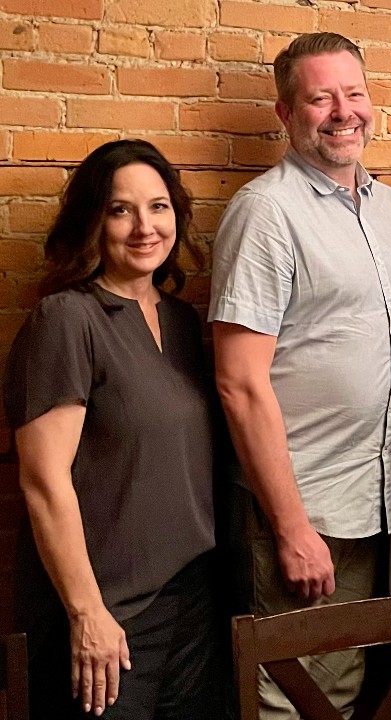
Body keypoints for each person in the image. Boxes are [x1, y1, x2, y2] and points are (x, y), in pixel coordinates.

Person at [209, 32, 391, 718]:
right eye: (320, 97)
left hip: (384, 506)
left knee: (357, 691)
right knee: (298, 700)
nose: (342, 110)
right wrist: (293, 526)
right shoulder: (265, 212)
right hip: (310, 510)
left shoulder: (389, 210)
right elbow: (239, 383)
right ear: (285, 113)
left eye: (353, 93)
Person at [3, 139, 218, 719]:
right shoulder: (67, 319)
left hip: (192, 600)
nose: (144, 226)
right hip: (110, 614)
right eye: (120, 209)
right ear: (92, 221)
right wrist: (87, 613)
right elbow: (42, 481)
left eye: (158, 206)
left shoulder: (179, 319)